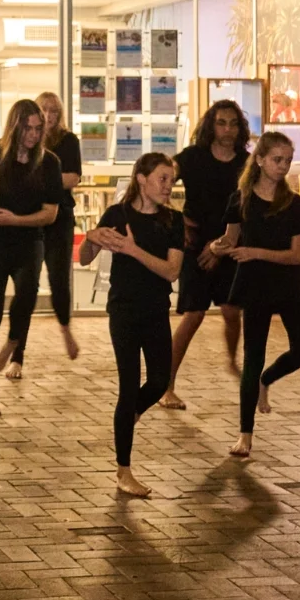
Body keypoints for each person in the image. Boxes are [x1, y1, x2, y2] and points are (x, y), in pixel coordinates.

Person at [79, 152, 182, 496]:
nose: (168, 186)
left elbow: (171, 271)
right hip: (123, 310)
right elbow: (84, 258)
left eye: (171, 180)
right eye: (162, 179)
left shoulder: (173, 222)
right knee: (128, 385)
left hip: (155, 309)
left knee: (157, 381)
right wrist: (91, 237)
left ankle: (128, 417)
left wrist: (133, 250)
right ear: (141, 178)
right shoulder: (117, 215)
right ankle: (124, 472)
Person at [212, 131, 300, 459]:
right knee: (252, 356)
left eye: (287, 160)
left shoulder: (295, 204)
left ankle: (266, 381)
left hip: (286, 284)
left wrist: (254, 251)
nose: (283, 166)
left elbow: (294, 256)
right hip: (254, 285)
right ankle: (245, 434)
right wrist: (217, 247)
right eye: (277, 159)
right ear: (259, 160)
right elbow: (230, 240)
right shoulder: (240, 200)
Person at [0, 99, 63, 416]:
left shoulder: (49, 163)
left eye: (38, 128)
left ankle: (13, 343)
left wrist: (15, 220)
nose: (33, 135)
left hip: (28, 241)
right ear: (14, 127)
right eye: (27, 129)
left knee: (27, 291)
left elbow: (50, 214)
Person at [164, 100, 250, 410]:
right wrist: (177, 222)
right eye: (221, 123)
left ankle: (231, 360)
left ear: (239, 128)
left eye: (233, 123)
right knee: (194, 315)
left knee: (231, 311)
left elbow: (244, 212)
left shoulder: (246, 163)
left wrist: (222, 248)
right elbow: (164, 176)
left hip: (230, 241)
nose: (227, 129)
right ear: (210, 126)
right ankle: (167, 385)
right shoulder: (193, 157)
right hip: (195, 242)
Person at [3, 91, 81, 380]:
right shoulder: (23, 143)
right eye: (44, 111)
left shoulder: (68, 141)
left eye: (54, 112)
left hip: (59, 218)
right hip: (30, 221)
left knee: (59, 279)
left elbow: (72, 178)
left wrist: (38, 177)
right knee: (27, 289)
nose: (48, 117)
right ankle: (17, 356)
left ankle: (65, 327)